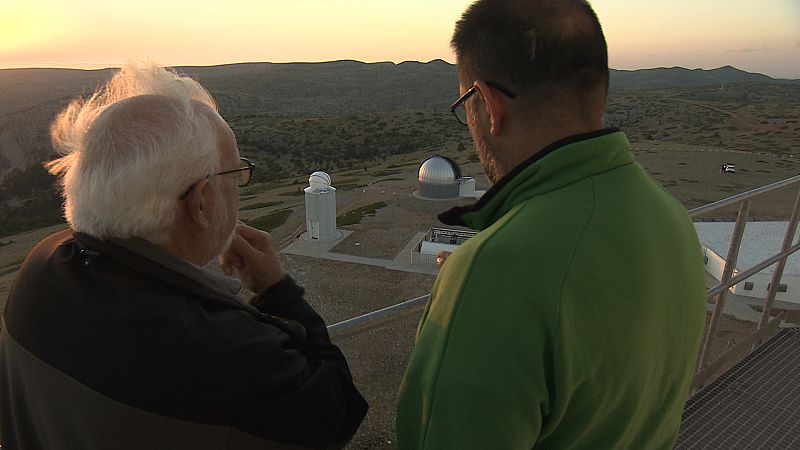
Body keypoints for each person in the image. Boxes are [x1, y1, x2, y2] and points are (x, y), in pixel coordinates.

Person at [0, 63, 367, 450]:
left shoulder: (39, 270)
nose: (239, 187)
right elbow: (338, 409)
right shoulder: (227, 353)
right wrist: (278, 291)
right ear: (202, 203)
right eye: (236, 174)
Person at [396, 1, 707, 448]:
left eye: (465, 104)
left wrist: (473, 286)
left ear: (488, 105)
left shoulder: (492, 274)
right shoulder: (672, 217)